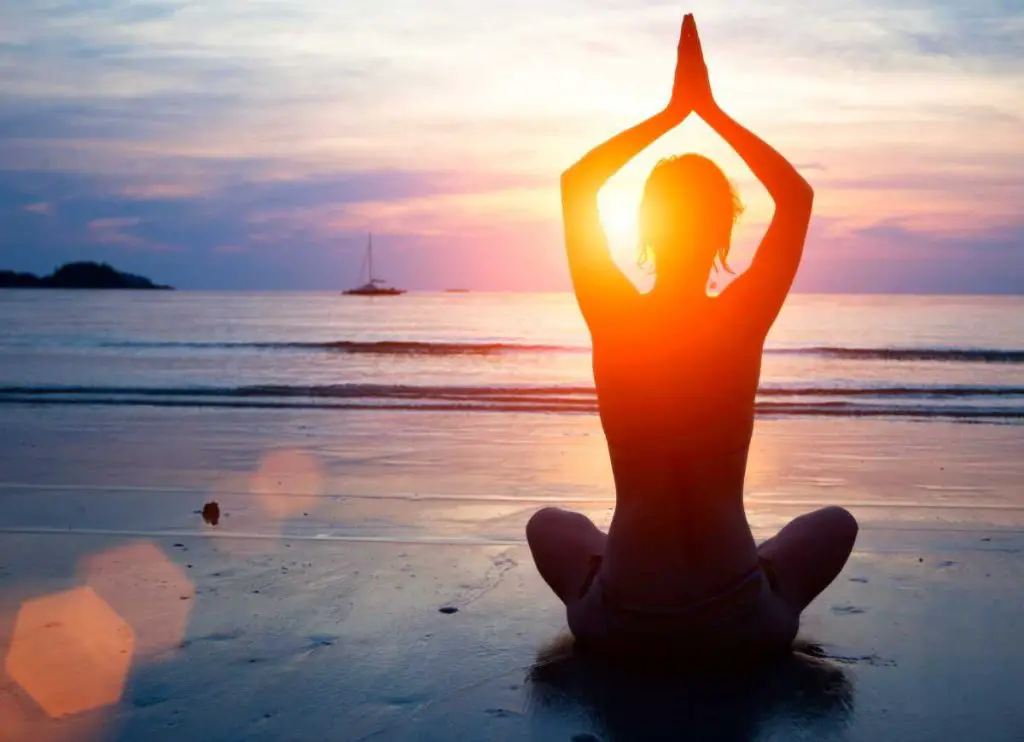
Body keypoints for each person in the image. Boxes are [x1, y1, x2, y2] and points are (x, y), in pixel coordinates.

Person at [527, 13, 858, 658]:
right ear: (724, 235)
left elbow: (577, 186)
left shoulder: (612, 312)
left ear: (645, 231)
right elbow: (795, 197)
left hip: (621, 621)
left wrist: (671, 112)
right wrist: (710, 110)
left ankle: (607, 578)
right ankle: (760, 575)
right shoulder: (742, 318)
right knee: (834, 524)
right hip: (735, 620)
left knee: (550, 526)